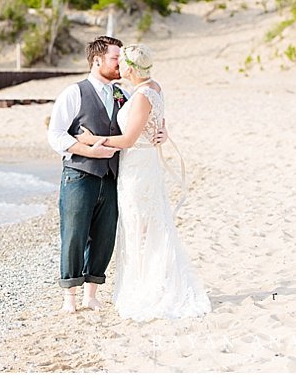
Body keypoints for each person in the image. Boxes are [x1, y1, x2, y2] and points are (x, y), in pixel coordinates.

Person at [74, 43, 211, 320]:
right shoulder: (154, 87)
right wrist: (161, 132)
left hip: (138, 168)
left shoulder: (141, 97)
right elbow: (156, 122)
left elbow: (128, 140)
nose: (119, 66)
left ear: (132, 68)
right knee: (148, 224)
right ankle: (151, 283)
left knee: (139, 226)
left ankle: (148, 289)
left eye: (122, 63)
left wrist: (90, 140)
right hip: (143, 164)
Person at [46, 36, 167, 314]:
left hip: (113, 176)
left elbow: (141, 122)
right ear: (97, 60)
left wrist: (162, 132)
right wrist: (88, 151)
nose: (120, 64)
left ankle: (92, 295)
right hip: (79, 174)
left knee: (104, 236)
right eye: (115, 58)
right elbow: (55, 135)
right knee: (74, 234)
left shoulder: (122, 94)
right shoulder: (74, 93)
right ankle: (70, 299)